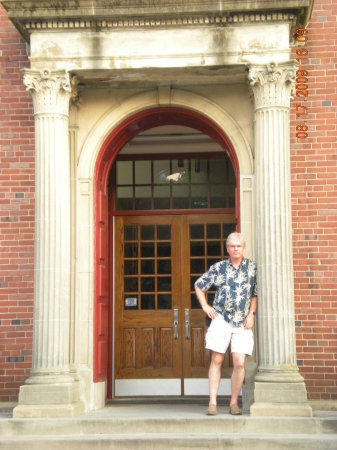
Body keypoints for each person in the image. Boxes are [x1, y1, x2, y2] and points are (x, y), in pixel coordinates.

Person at [194, 232, 257, 416]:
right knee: (217, 359)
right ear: (227, 248)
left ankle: (233, 403)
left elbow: (255, 293)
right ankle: (212, 402)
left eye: (238, 246)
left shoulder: (251, 268)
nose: (235, 249)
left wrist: (252, 314)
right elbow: (199, 285)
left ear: (243, 248)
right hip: (221, 318)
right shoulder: (219, 268)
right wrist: (206, 306)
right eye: (232, 246)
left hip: (243, 321)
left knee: (239, 362)